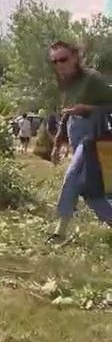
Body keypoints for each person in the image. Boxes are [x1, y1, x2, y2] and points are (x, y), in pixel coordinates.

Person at [46, 41, 112, 245]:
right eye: (55, 61)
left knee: (73, 175)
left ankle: (59, 231)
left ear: (75, 57)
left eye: (63, 59)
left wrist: (87, 108)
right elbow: (66, 113)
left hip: (94, 136)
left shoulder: (93, 79)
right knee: (89, 189)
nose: (60, 65)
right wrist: (57, 143)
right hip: (77, 135)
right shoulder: (65, 82)